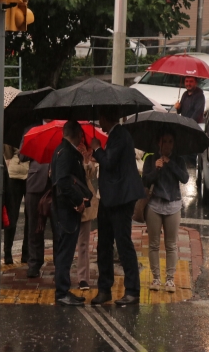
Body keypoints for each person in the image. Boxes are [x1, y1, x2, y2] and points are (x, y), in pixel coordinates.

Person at [90, 108, 145, 306]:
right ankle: (104, 288)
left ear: (105, 117)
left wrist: (97, 149)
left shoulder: (120, 135)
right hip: (109, 198)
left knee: (123, 243)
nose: (99, 122)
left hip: (121, 199)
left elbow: (110, 162)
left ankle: (132, 290)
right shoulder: (115, 136)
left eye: (100, 118)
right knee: (104, 244)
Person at [142, 131, 189, 293]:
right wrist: (156, 169)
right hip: (154, 204)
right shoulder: (150, 159)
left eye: (170, 141)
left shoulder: (179, 160)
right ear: (158, 143)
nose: (167, 145)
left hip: (173, 205)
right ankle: (156, 277)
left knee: (171, 245)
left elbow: (185, 178)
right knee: (154, 244)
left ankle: (170, 279)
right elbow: (146, 181)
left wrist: (170, 164)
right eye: (164, 141)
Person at [51, 121, 88, 306]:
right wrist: (79, 201)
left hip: (62, 209)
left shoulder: (59, 150)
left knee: (64, 250)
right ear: (79, 134)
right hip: (66, 210)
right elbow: (64, 182)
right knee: (65, 252)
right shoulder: (67, 153)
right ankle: (62, 293)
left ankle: (64, 290)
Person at [19, 123, 53, 278]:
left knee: (58, 229)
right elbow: (22, 155)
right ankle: (34, 263)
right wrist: (38, 145)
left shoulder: (63, 127)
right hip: (35, 183)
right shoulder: (32, 130)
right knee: (34, 227)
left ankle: (60, 265)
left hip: (57, 184)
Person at [76, 144, 99, 291]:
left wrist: (86, 161)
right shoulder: (62, 153)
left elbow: (90, 175)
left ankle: (83, 278)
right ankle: (62, 275)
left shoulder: (87, 156)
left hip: (85, 200)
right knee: (65, 242)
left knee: (84, 242)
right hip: (67, 201)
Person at [4, 144, 29, 265]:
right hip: (19, 174)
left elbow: (8, 150)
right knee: (13, 215)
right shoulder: (18, 130)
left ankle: (19, 252)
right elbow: (7, 149)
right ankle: (11, 252)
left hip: (27, 173)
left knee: (25, 215)